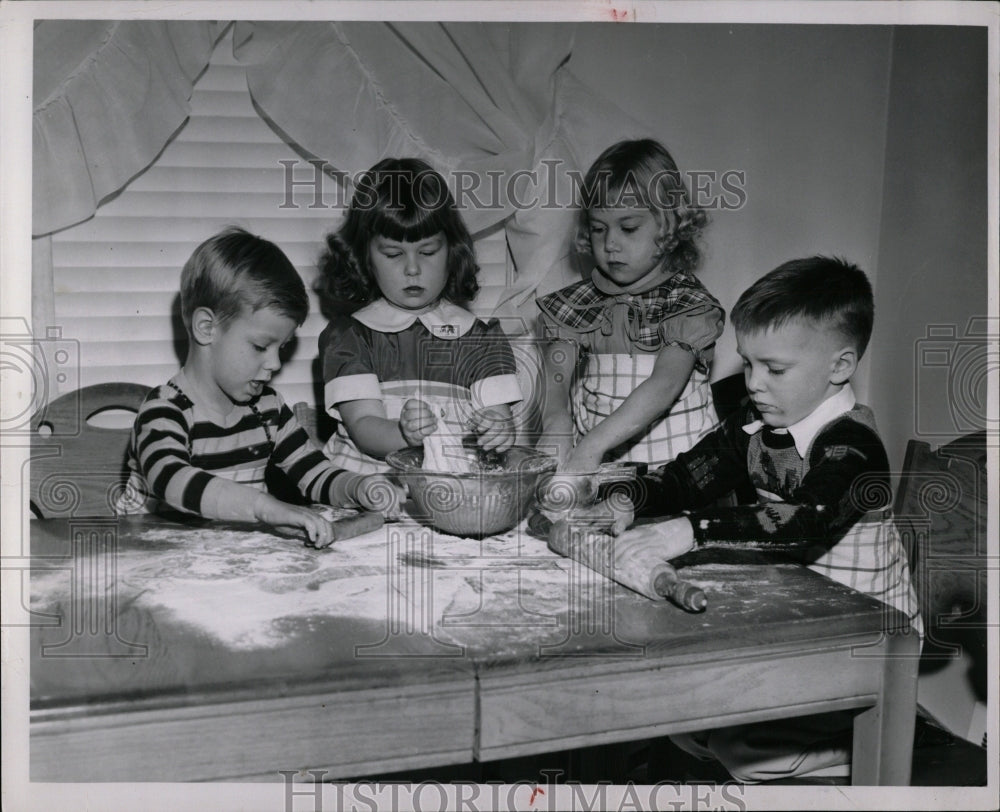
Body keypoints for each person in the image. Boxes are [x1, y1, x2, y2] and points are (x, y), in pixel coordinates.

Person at [562, 256, 922, 783]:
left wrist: (688, 529)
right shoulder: (752, 427)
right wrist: (626, 497)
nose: (753, 383)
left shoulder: (854, 447)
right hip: (799, 623)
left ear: (840, 367)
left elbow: (805, 522)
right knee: (679, 718)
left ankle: (866, 749)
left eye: (774, 369)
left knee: (740, 747)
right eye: (748, 363)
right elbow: (685, 477)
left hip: (868, 643)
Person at [117, 227, 402, 548]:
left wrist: (358, 487)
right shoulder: (164, 410)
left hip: (233, 565)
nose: (275, 364)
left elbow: (314, 472)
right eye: (260, 346)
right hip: (154, 562)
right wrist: (263, 506)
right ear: (207, 328)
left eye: (281, 348)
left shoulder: (267, 409)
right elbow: (170, 478)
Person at [315, 157, 522, 473]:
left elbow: (499, 416)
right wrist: (402, 433)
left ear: (452, 251)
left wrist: (498, 429)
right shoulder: (351, 337)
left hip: (452, 493)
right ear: (364, 258)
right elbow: (363, 426)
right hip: (369, 488)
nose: (412, 269)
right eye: (393, 254)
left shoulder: (481, 337)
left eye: (427, 252)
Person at [536, 139, 724, 472]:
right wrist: (555, 420)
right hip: (601, 471)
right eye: (598, 229)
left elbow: (665, 383)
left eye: (628, 228)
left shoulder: (685, 305)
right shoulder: (579, 303)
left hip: (678, 475)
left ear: (668, 224)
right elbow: (555, 372)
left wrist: (593, 445)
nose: (610, 244)